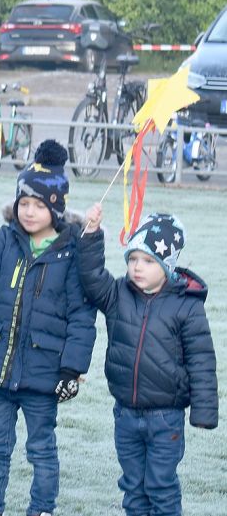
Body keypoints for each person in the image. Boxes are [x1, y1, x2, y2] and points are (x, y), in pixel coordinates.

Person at [0, 140, 97, 516]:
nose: (28, 212)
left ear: (56, 208)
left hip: (43, 376)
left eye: (38, 205)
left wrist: (72, 370)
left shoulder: (71, 252)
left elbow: (82, 316)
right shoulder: (6, 238)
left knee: (41, 449)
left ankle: (42, 508)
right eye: (23, 203)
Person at [79, 207, 217, 515]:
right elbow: (91, 278)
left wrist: (204, 410)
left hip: (165, 418)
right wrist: (91, 234)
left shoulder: (187, 307)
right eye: (132, 259)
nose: (137, 267)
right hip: (125, 415)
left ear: (166, 266)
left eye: (147, 260)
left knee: (160, 486)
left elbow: (201, 360)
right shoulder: (118, 294)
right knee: (133, 486)